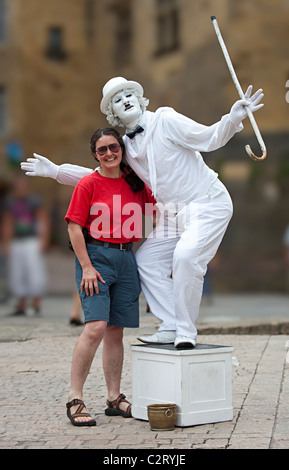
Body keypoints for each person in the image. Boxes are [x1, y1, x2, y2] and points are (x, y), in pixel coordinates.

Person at [20, 76, 264, 349]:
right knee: (146, 260)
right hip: (172, 214)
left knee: (186, 258)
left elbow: (207, 138)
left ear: (139, 99)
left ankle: (186, 330)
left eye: (128, 95)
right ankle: (170, 323)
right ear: (113, 112)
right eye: (117, 99)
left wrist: (231, 119)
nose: (124, 100)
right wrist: (56, 172)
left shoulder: (166, 119)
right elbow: (98, 176)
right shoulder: (125, 148)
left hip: (207, 203)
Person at [64, 127, 155, 426]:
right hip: (96, 257)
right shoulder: (89, 183)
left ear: (122, 149)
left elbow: (159, 213)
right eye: (102, 150)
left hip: (127, 258)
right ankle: (74, 398)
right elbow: (74, 226)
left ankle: (114, 398)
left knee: (116, 330)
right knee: (95, 328)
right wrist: (87, 267)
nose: (109, 154)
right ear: (95, 155)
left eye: (113, 147)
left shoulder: (137, 185)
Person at [1, 174, 49, 315]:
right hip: (16, 241)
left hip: (32, 241)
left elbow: (42, 220)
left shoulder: (34, 201)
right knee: (17, 273)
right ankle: (21, 304)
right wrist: (6, 242)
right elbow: (7, 222)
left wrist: (44, 239)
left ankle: (36, 303)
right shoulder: (10, 202)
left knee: (35, 271)